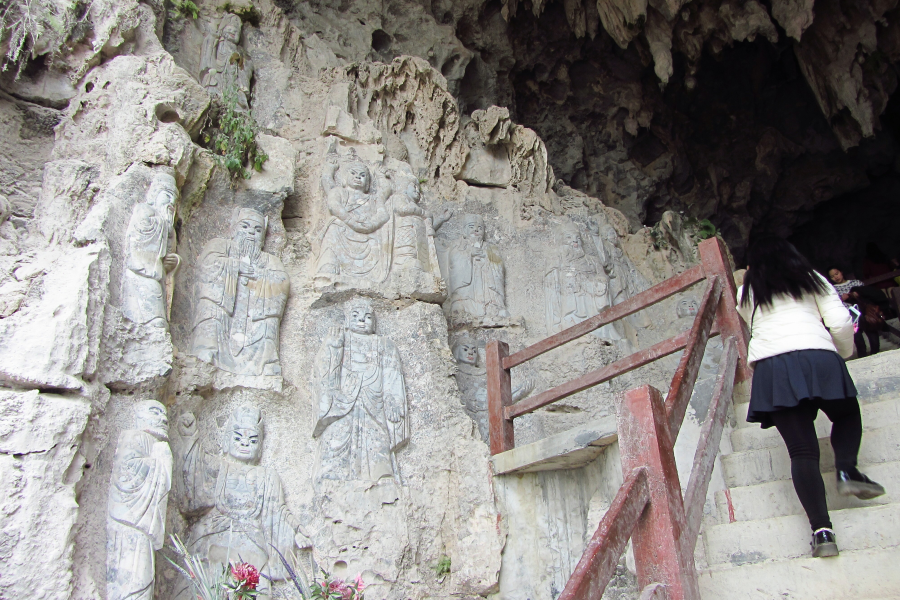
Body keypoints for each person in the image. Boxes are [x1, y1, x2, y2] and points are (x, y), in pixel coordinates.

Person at [738, 237, 884, 559]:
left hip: (773, 365)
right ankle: (847, 469)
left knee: (802, 452)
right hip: (817, 355)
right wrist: (843, 353)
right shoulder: (813, 278)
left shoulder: (748, 288)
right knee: (846, 414)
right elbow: (840, 321)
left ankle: (822, 532)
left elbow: (751, 322)